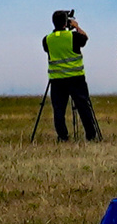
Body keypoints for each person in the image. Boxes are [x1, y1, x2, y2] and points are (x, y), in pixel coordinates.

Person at [43, 9, 100, 141]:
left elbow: (48, 50)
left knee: (58, 110)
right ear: (66, 23)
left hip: (56, 80)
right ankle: (90, 135)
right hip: (76, 79)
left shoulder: (47, 40)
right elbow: (85, 38)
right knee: (83, 107)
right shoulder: (73, 36)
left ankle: (62, 136)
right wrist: (76, 27)